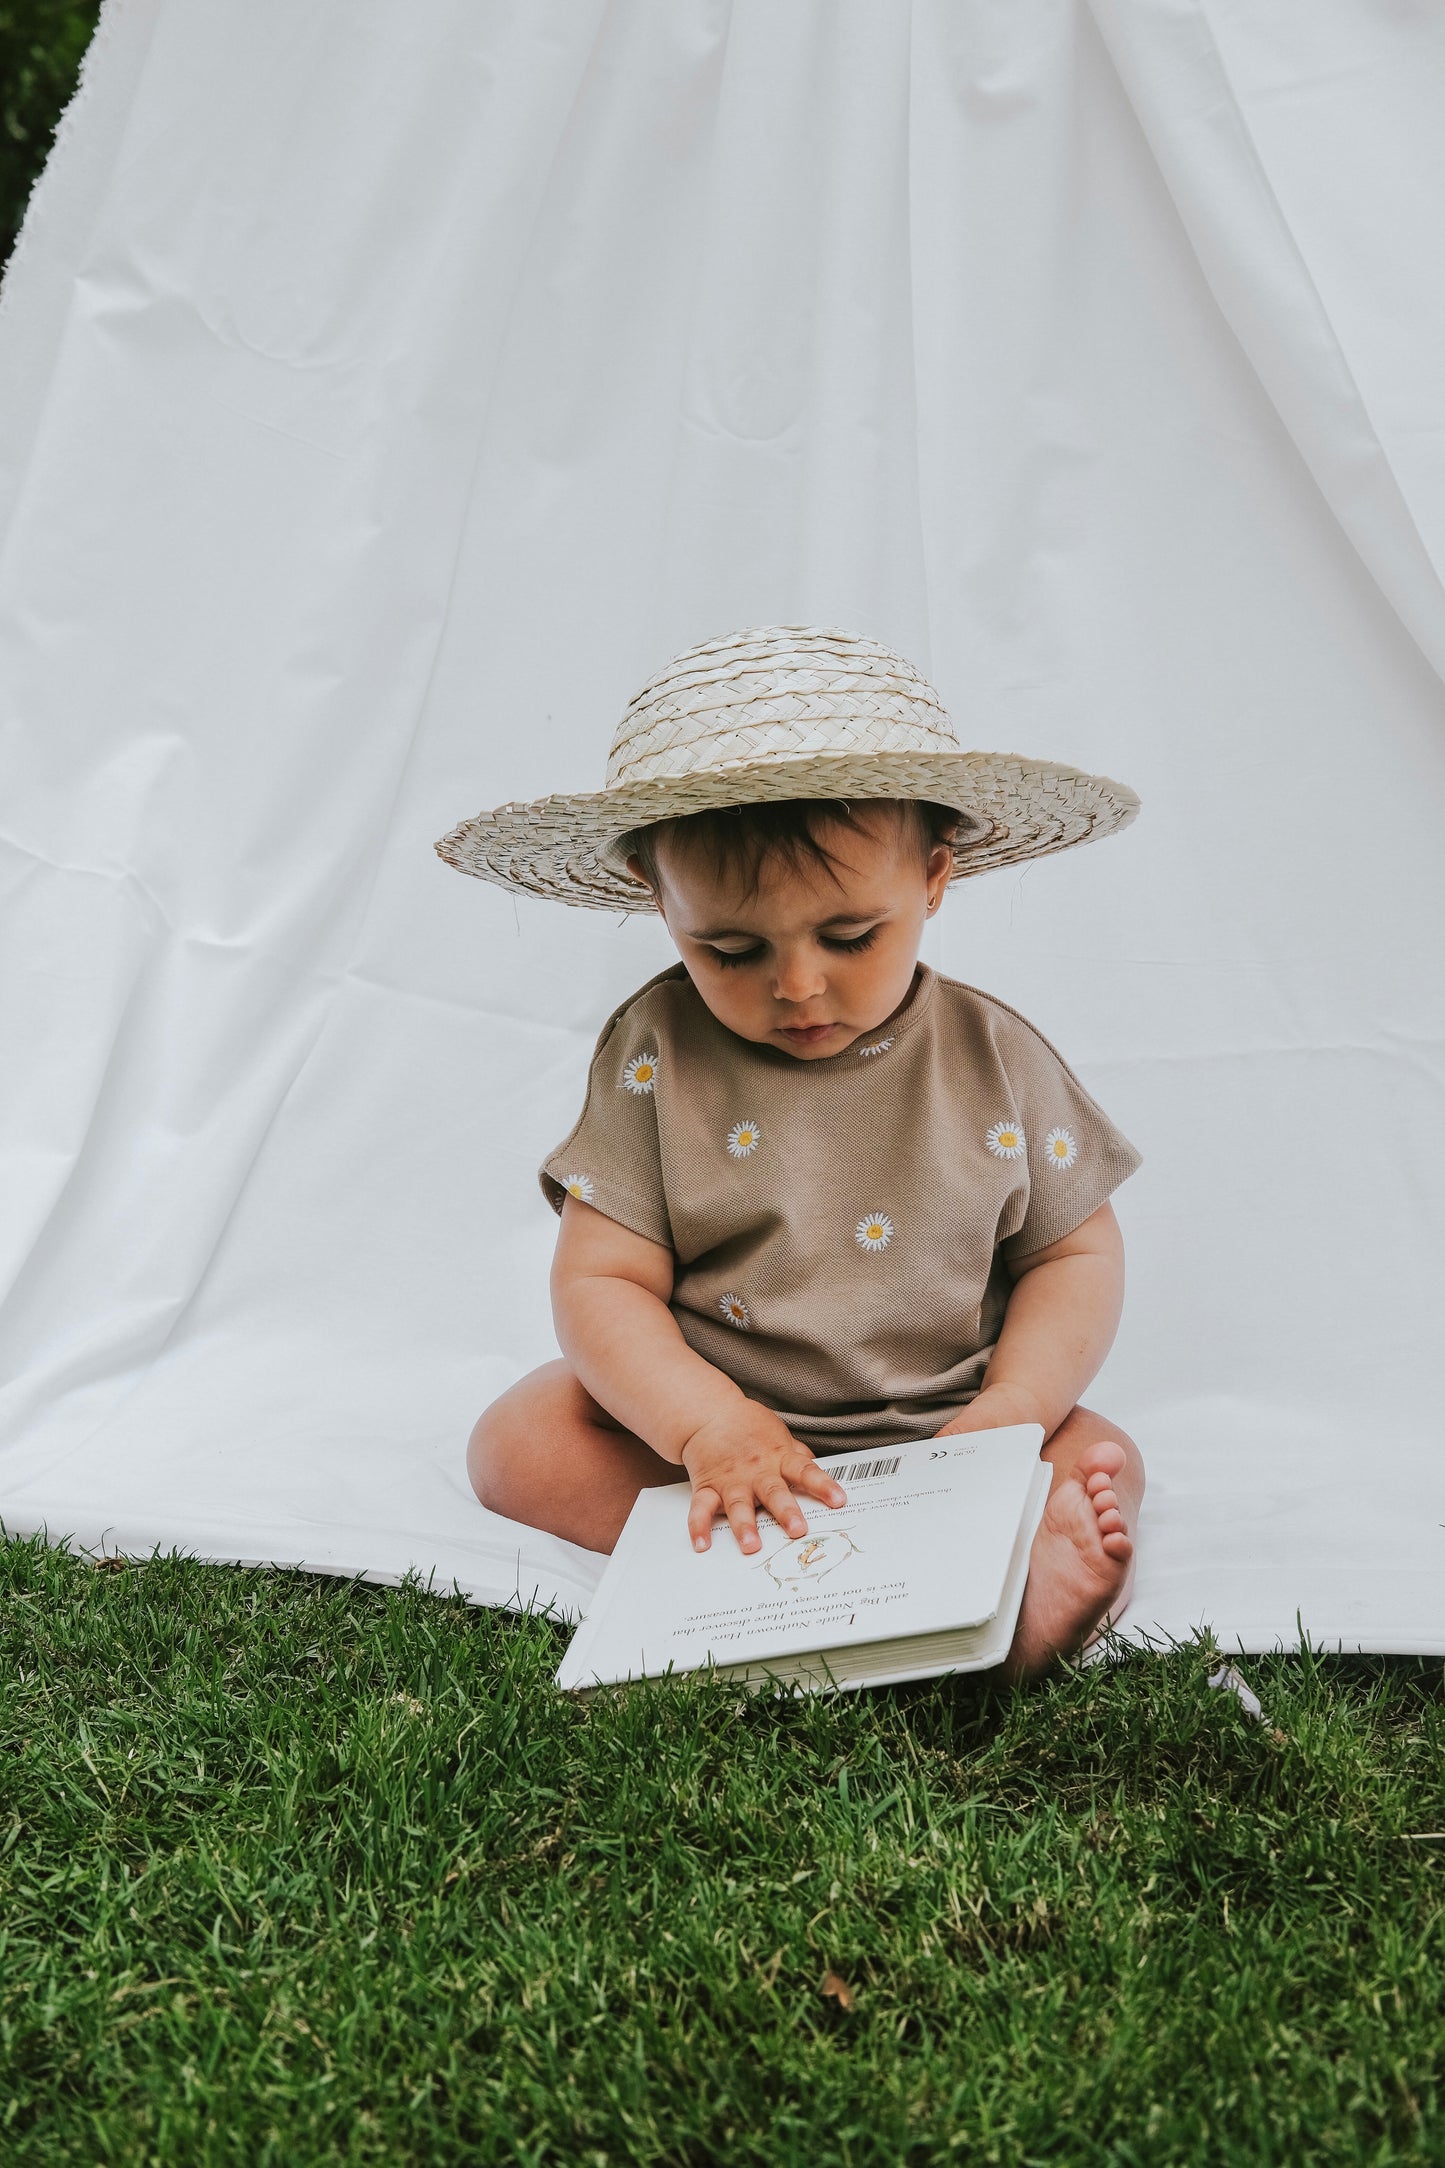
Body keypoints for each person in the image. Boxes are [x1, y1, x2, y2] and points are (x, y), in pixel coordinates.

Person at [437, 626, 1145, 1675]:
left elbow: (1073, 1257)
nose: (797, 985)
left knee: (1100, 1454)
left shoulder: (991, 1054)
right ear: (656, 896)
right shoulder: (655, 1054)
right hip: (723, 1434)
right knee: (517, 1437)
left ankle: (1011, 1581)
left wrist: (1010, 1410)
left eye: (849, 936)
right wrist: (704, 1425)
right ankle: (797, 1558)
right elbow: (601, 1280)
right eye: (728, 949)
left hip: (950, 1422)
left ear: (935, 877)